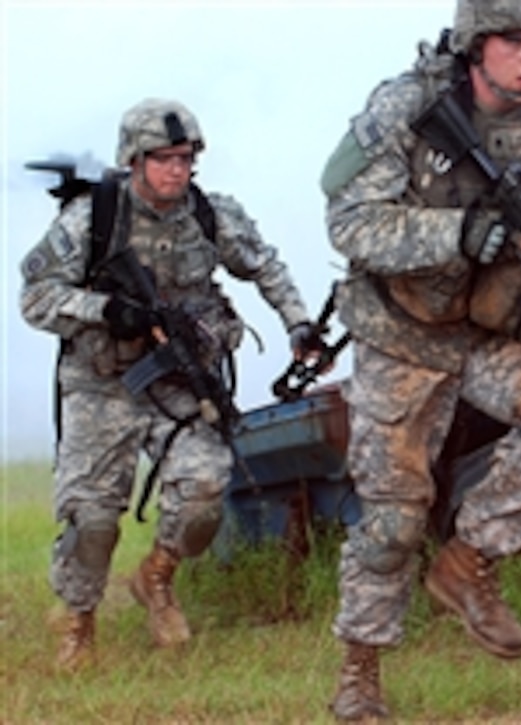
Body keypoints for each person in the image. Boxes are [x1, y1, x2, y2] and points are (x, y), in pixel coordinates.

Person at [318, 0, 521, 718]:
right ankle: (359, 672)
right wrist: (461, 233)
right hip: (405, 331)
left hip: (496, 328)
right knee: (393, 520)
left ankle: (468, 562)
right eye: (516, 43)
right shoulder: (405, 108)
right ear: (474, 45)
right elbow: (350, 222)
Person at [19, 98, 318, 670]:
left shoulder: (210, 216)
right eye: (163, 159)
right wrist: (107, 311)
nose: (176, 171)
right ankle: (78, 622)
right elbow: (35, 298)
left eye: (185, 159)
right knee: (94, 517)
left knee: (207, 487)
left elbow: (267, 268)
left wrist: (299, 324)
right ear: (134, 159)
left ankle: (157, 577)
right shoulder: (92, 220)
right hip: (100, 382)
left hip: (176, 382)